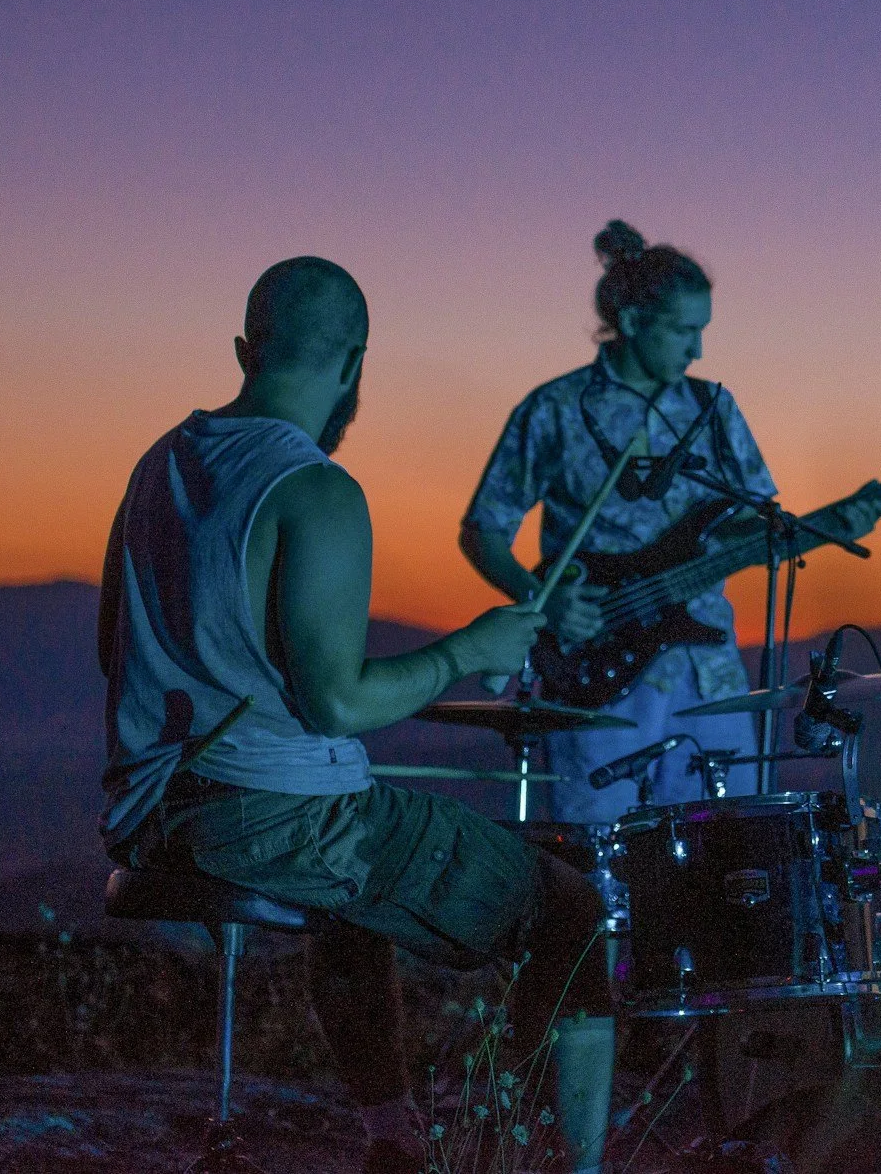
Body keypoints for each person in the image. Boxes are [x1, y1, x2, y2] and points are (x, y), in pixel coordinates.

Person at [99, 257, 612, 1174]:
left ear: (244, 349)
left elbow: (115, 650)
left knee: (360, 891)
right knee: (570, 914)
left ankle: (394, 1138)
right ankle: (549, 1164)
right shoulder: (317, 490)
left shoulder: (159, 463)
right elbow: (339, 703)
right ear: (357, 364)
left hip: (156, 810)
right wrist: (468, 650)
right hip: (275, 816)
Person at [457, 221, 881, 1134]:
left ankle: (727, 1112)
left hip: (711, 678)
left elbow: (757, 530)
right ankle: (572, 1115)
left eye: (703, 330)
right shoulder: (556, 409)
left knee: (734, 892)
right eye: (683, 328)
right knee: (587, 895)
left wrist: (827, 522)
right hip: (597, 681)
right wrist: (540, 597)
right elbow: (482, 527)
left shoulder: (713, 410)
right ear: (632, 316)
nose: (698, 347)